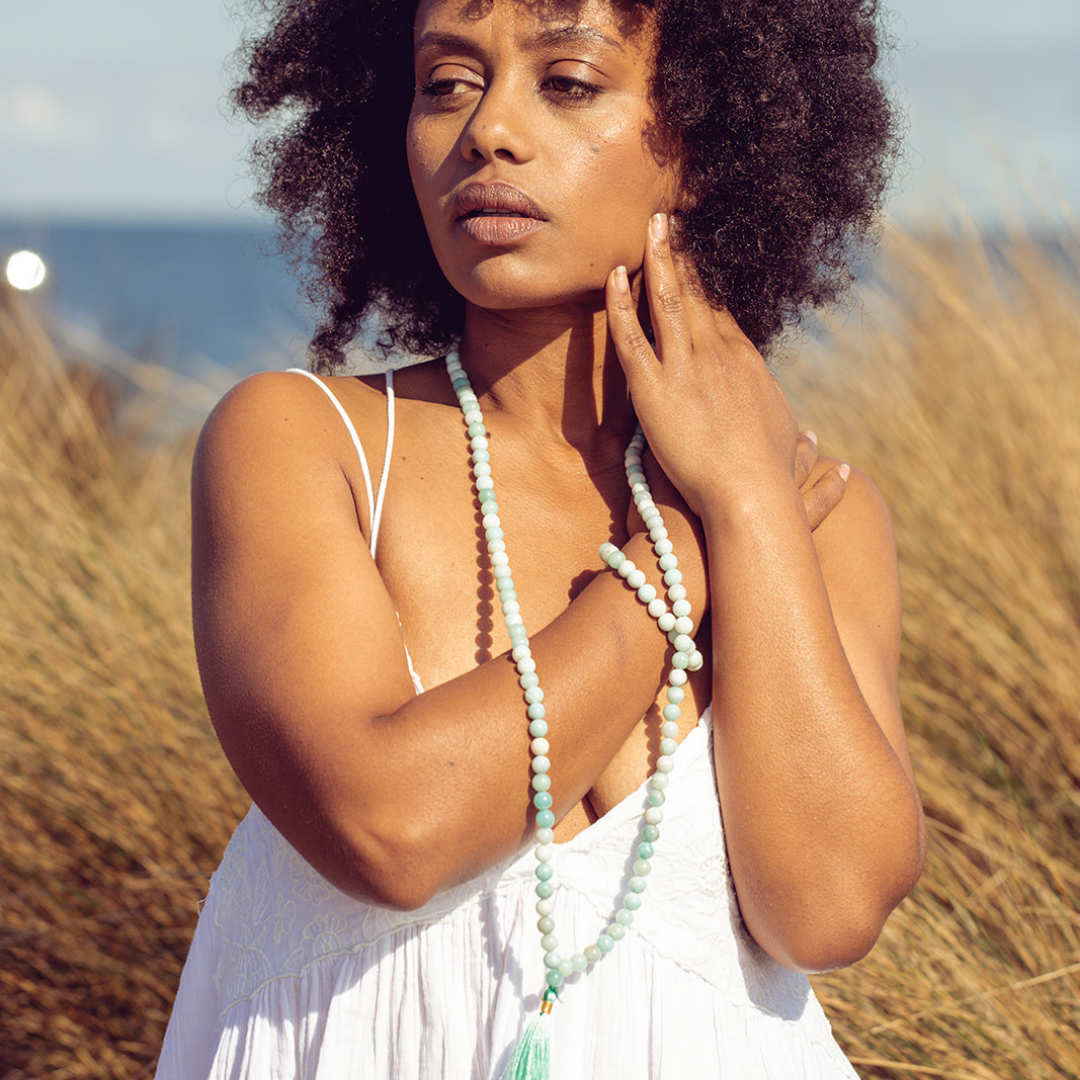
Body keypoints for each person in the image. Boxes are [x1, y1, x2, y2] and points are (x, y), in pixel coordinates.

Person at [156, 0, 926, 1075]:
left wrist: (747, 504)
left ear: (709, 140)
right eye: (446, 84)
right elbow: (391, 828)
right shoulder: (303, 444)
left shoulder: (810, 510)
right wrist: (686, 558)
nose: (489, 131)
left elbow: (832, 910)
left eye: (566, 82)